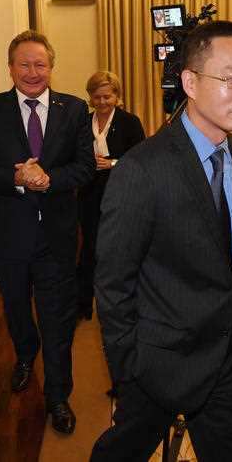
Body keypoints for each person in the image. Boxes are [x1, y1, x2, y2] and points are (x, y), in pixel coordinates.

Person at [91, 21, 232, 462]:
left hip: (228, 354)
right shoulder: (141, 170)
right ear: (189, 82)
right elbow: (113, 283)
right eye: (231, 79)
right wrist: (131, 370)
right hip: (160, 363)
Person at [0, 30, 95, 435]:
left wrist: (48, 179)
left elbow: (85, 167)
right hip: (8, 237)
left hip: (56, 237)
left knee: (58, 320)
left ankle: (58, 396)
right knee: (18, 309)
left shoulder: (73, 109)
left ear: (51, 67)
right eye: (24, 64)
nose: (33, 72)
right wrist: (18, 179)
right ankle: (25, 355)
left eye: (41, 64)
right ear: (11, 67)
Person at [77, 71, 145, 321]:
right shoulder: (83, 122)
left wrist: (113, 163)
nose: (103, 102)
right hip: (89, 193)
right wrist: (87, 162)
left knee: (120, 250)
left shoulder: (130, 122)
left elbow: (140, 161)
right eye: (97, 97)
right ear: (90, 98)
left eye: (107, 96)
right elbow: (73, 155)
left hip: (121, 193)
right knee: (89, 250)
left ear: (117, 96)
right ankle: (83, 303)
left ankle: (123, 305)